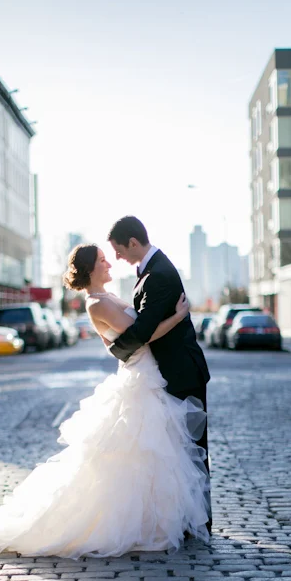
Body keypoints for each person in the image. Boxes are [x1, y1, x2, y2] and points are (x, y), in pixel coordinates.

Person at [0, 244, 211, 559]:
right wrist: (178, 316)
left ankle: (153, 519)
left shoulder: (109, 297)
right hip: (140, 378)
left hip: (148, 374)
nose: (109, 263)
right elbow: (139, 335)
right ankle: (133, 523)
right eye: (103, 260)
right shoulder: (96, 304)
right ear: (90, 269)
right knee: (137, 452)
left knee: (153, 455)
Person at [107, 216, 211, 534]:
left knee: (192, 449)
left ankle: (200, 523)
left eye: (119, 250)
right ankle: (185, 519)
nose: (117, 258)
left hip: (182, 373)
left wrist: (115, 349)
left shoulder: (160, 275)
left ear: (134, 243)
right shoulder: (151, 272)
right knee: (176, 450)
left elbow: (143, 329)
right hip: (169, 373)